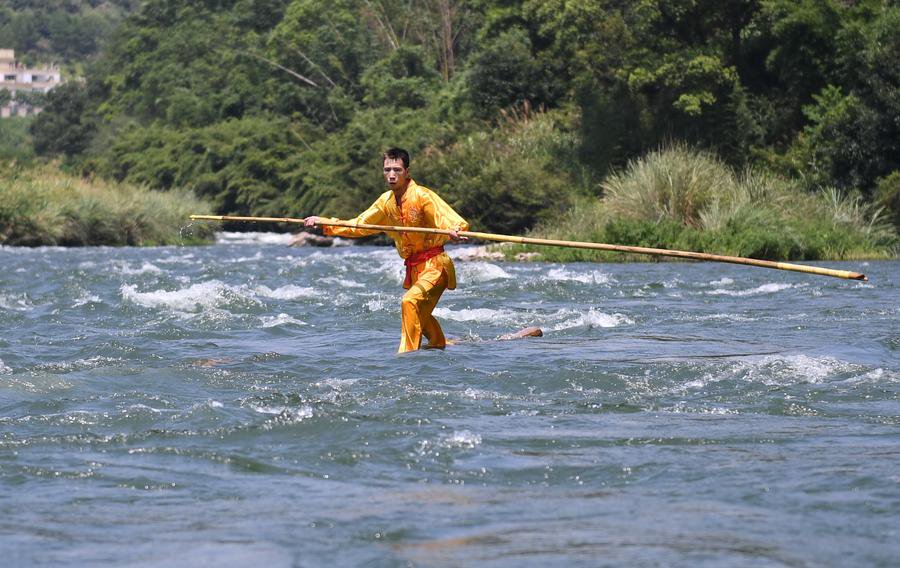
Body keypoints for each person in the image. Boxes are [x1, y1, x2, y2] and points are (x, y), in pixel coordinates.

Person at [304, 148, 469, 353]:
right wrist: (324, 223)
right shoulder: (385, 202)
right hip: (414, 267)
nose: (392, 175)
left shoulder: (423, 195)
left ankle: (407, 355)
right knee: (419, 314)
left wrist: (455, 230)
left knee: (409, 301)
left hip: (435, 265)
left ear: (407, 172)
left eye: (397, 170)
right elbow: (358, 226)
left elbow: (447, 218)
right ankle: (437, 344)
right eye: (387, 170)